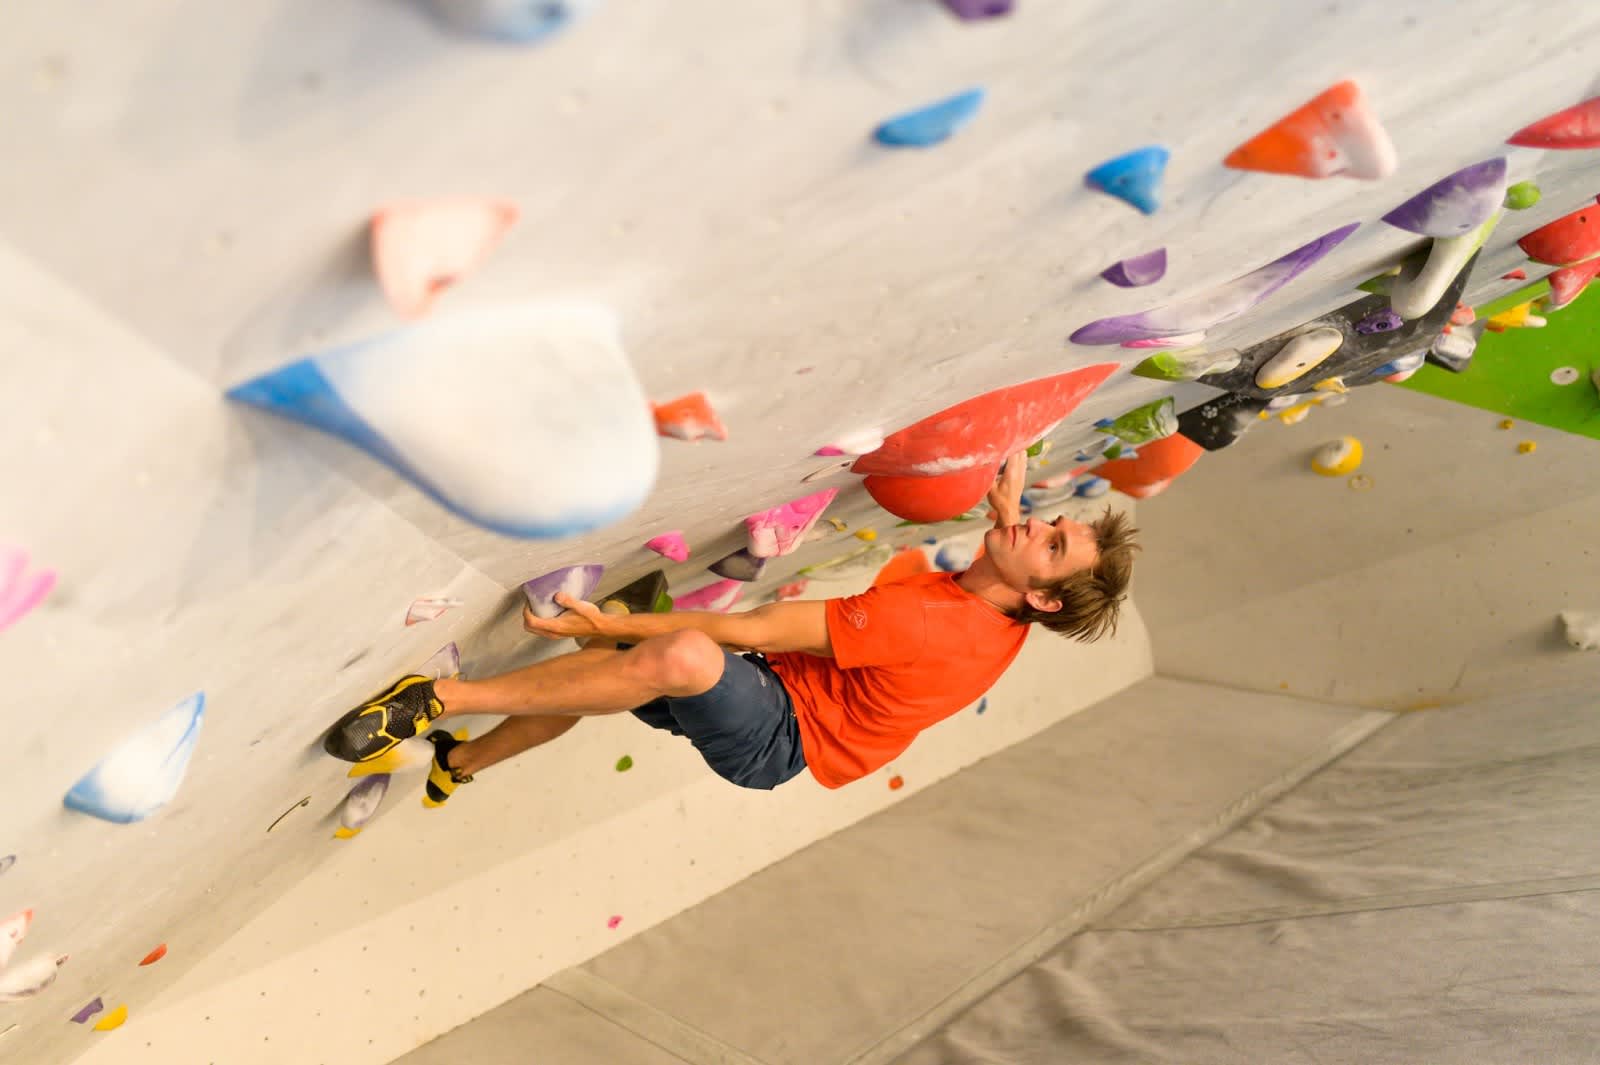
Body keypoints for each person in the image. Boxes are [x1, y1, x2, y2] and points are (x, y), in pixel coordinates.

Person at [321, 451, 1139, 801]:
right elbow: (1020, 551)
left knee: (669, 649)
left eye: (1053, 541)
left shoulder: (932, 621)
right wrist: (1009, 510)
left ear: (1043, 599)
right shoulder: (1007, 597)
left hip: (780, 735)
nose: (1037, 524)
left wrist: (615, 622)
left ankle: (436, 699)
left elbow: (758, 629)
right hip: (792, 697)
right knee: (609, 663)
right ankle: (456, 766)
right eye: (1051, 521)